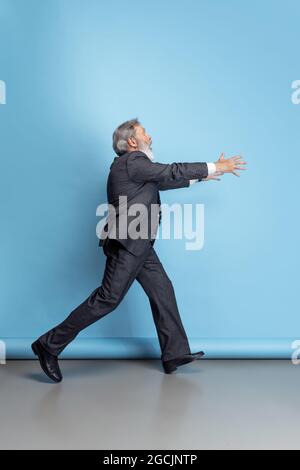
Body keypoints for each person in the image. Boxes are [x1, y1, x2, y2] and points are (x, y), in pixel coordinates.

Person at [31, 118, 247, 382]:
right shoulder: (133, 161)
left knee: (163, 290)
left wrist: (203, 176)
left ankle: (174, 354)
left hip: (140, 243)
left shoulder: (135, 168)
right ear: (132, 141)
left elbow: (162, 180)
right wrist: (215, 165)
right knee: (108, 299)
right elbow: (170, 171)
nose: (150, 137)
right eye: (145, 133)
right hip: (129, 242)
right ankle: (48, 345)